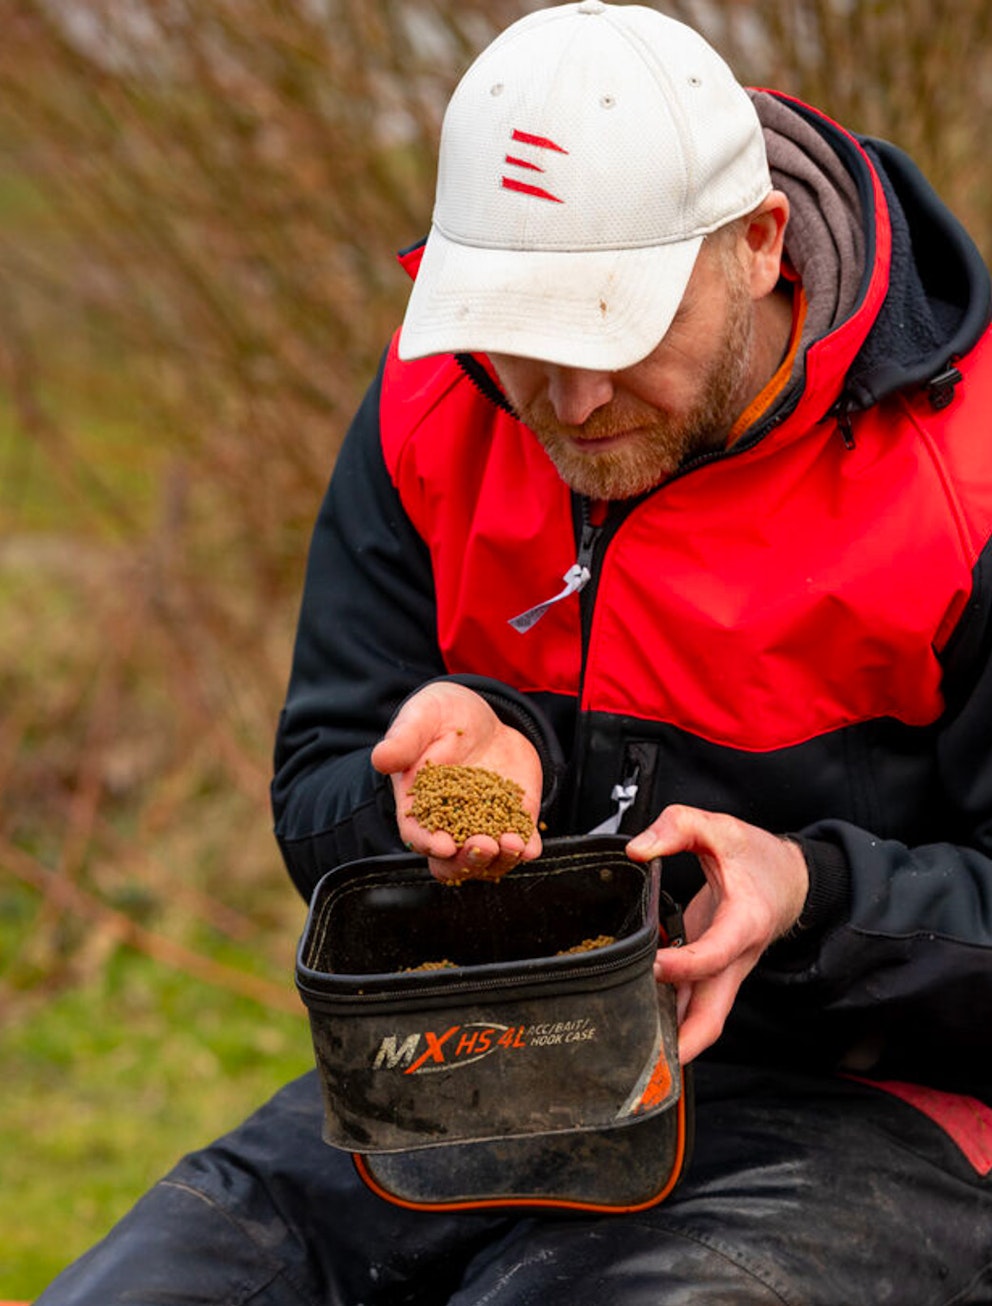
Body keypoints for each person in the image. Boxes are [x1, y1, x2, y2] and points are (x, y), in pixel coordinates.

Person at [37, 2, 992, 1303]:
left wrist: (808, 895)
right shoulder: (432, 405)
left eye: (617, 334)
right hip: (483, 1062)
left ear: (758, 246)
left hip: (869, 1106)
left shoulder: (968, 470)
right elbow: (322, 783)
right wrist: (435, 789)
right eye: (529, 340)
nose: (575, 405)